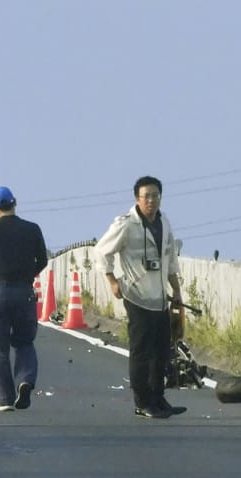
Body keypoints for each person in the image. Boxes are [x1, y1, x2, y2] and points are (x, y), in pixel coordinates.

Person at [94, 175, 185, 419]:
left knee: (161, 352)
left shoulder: (164, 222)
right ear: (137, 198)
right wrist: (112, 281)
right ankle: (142, 402)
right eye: (146, 196)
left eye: (155, 196)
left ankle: (158, 397)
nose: (151, 201)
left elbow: (171, 260)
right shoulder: (126, 224)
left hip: (159, 299)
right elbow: (101, 251)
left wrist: (176, 291)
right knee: (141, 352)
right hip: (137, 297)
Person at [0, 186, 48, 412]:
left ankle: (5, 398)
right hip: (25, 291)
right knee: (25, 342)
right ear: (15, 203)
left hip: (0, 292)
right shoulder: (32, 228)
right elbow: (43, 260)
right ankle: (25, 380)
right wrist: (28, 275)